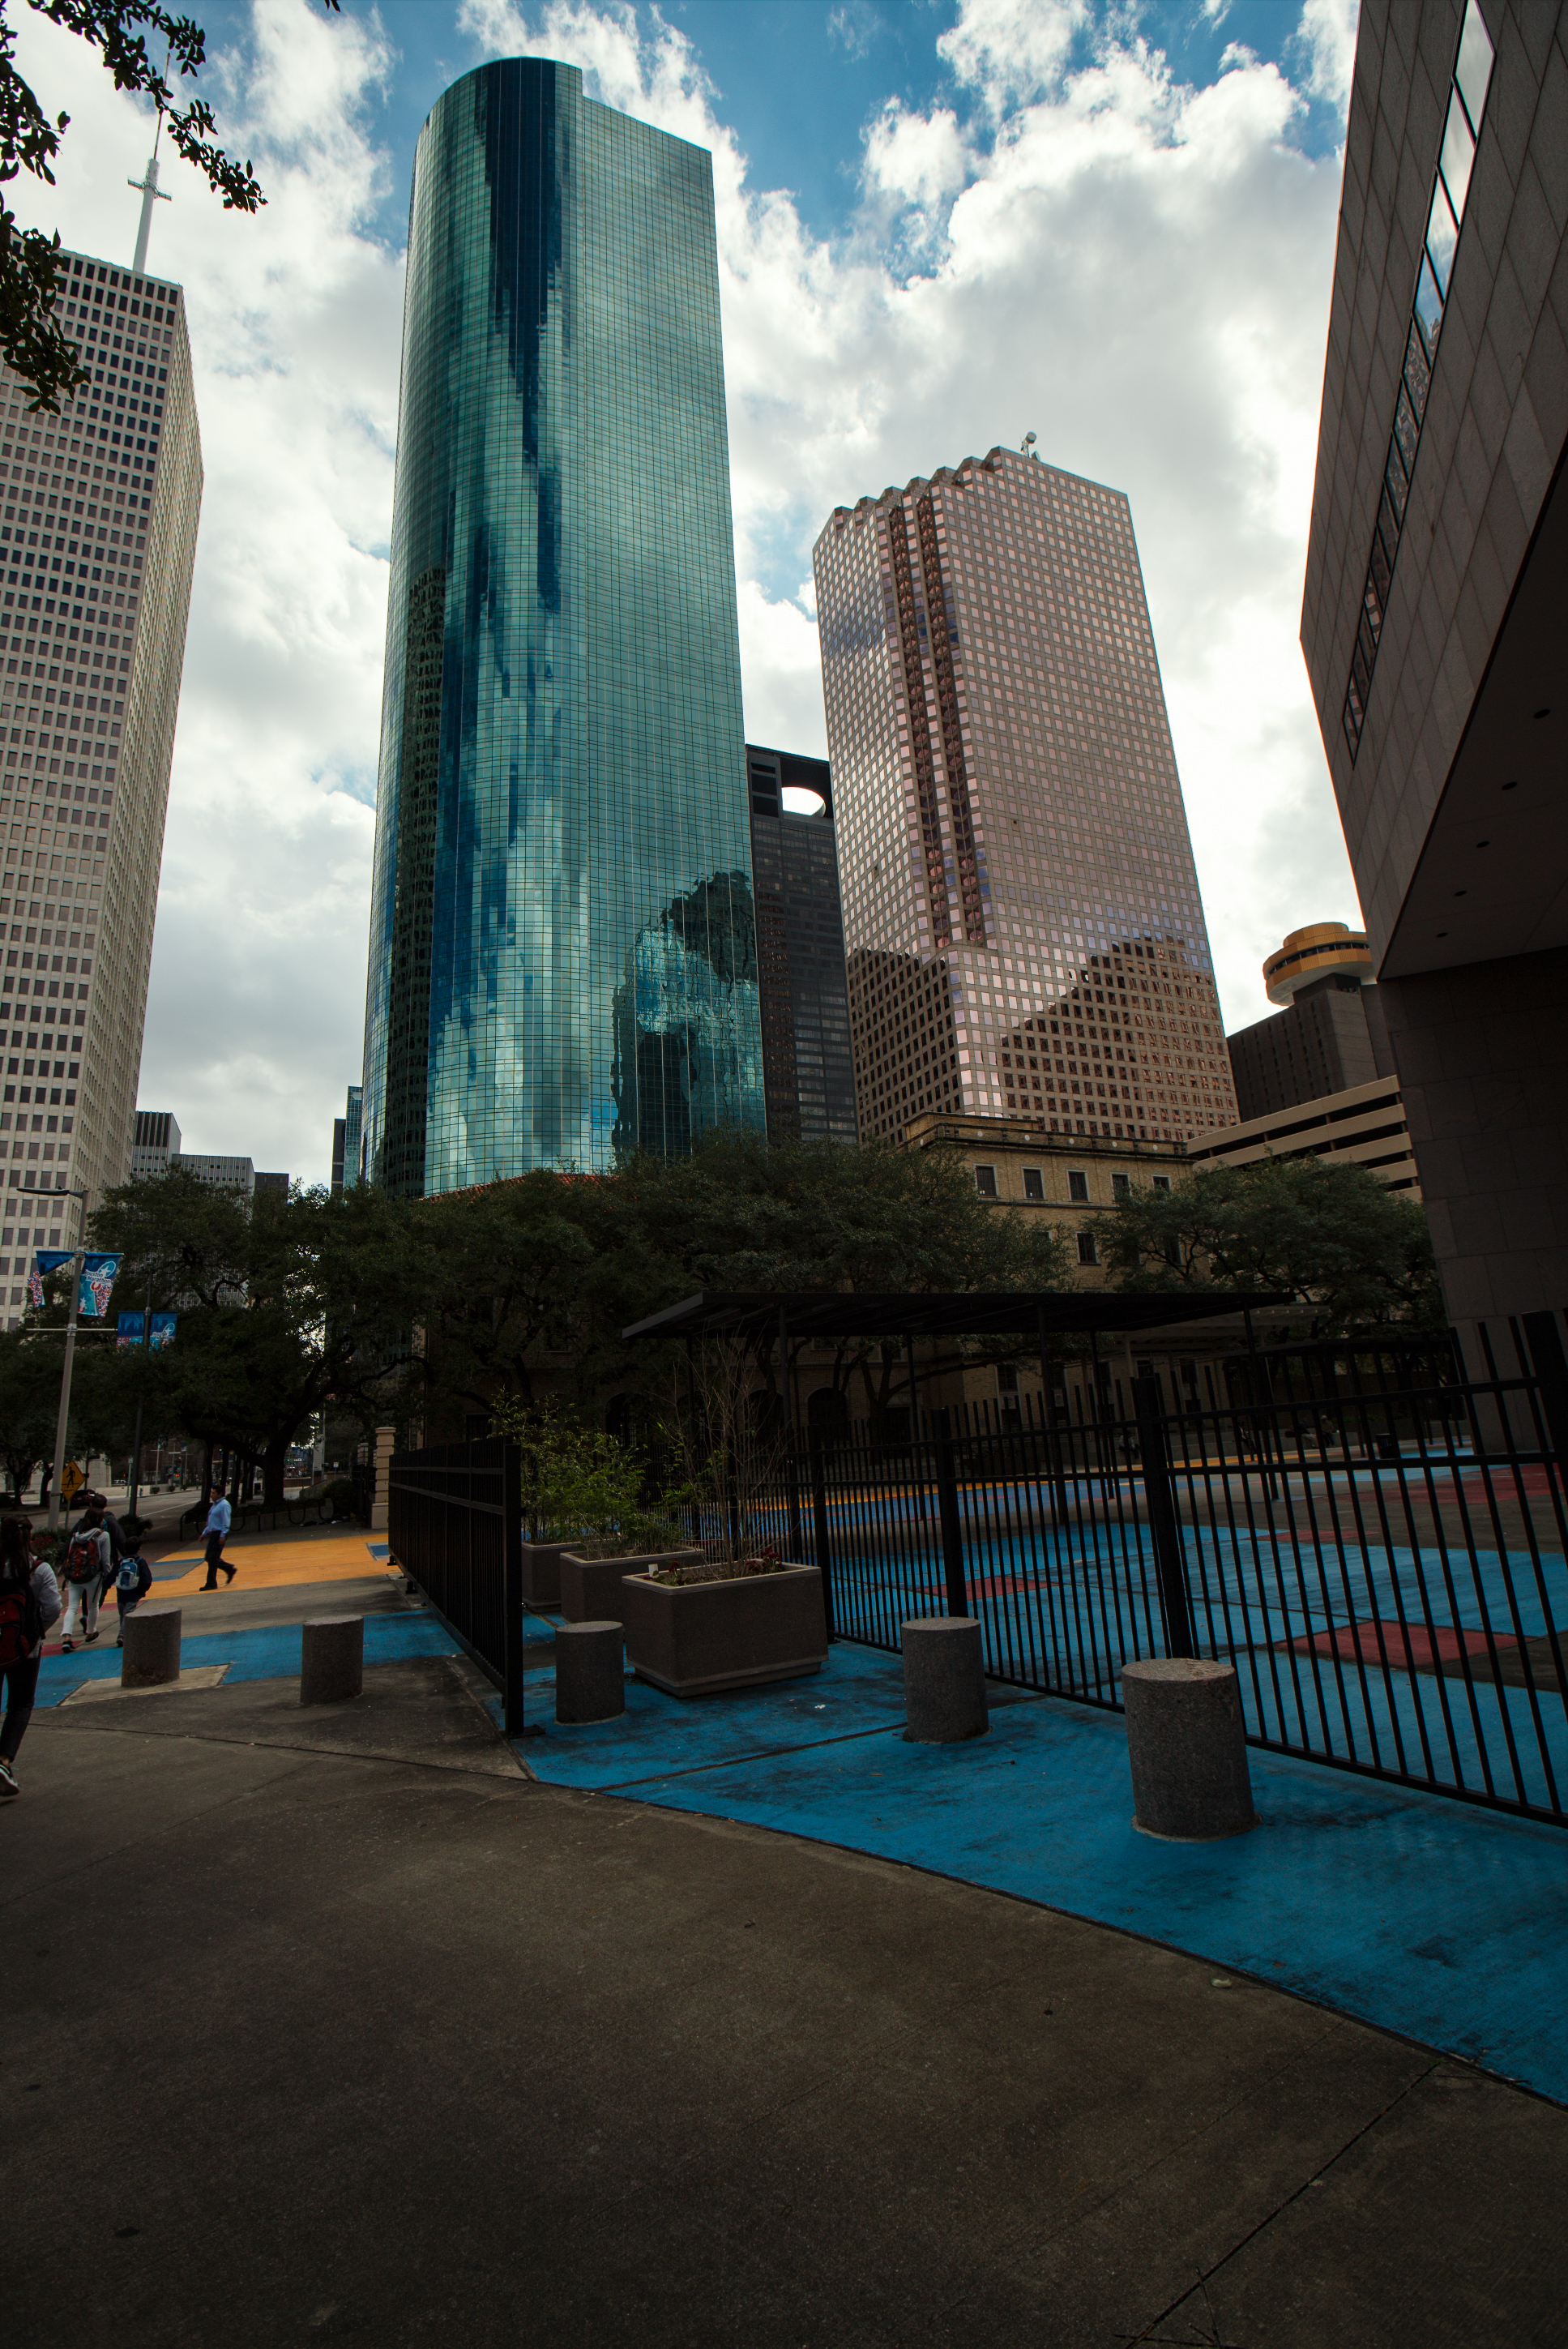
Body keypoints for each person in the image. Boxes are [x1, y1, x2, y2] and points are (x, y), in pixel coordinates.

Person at [0, 1515, 60, 1795]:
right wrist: (33, 1634)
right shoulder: (39, 1569)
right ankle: (4, 1761)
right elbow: (52, 1608)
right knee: (20, 1704)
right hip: (25, 1648)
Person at [58, 1500, 111, 1651]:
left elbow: (70, 1556)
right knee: (92, 1606)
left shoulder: (76, 1536)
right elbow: (105, 1560)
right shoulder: (103, 1536)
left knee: (72, 1607)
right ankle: (90, 1633)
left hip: (75, 1575)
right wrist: (108, 1576)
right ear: (99, 1520)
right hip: (94, 1576)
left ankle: (67, 1637)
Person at [200, 1486, 235, 1589]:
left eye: (214, 1493)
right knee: (209, 1558)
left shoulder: (224, 1505)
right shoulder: (215, 1505)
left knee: (213, 1559)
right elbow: (211, 1522)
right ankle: (229, 1569)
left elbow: (226, 1522)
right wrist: (204, 1533)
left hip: (219, 1534)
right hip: (213, 1534)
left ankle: (211, 1583)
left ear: (220, 1494)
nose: (211, 1495)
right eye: (211, 1493)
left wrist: (223, 1535)